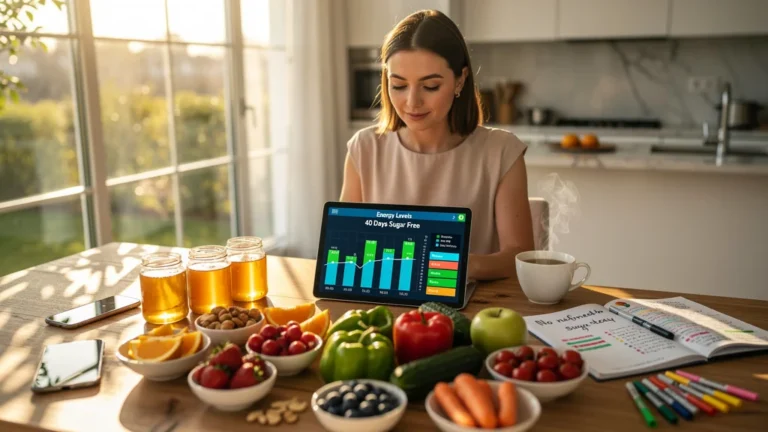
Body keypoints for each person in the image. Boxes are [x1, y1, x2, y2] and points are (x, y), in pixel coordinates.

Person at [339, 10, 534, 281]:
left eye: (430, 86)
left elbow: (519, 256)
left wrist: (462, 266)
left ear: (460, 79)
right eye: (399, 85)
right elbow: (346, 250)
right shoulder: (364, 148)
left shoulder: (501, 151)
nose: (412, 102)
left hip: (472, 311)